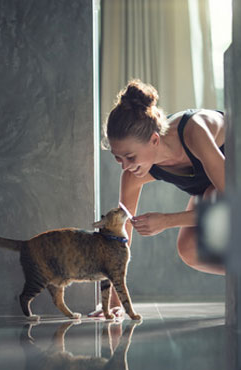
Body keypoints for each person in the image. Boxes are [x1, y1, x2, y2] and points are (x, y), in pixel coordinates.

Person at [89, 79, 225, 318]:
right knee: (189, 249)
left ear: (154, 140)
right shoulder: (132, 176)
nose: (126, 166)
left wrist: (167, 221)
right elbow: (121, 239)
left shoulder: (194, 131)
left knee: (214, 198)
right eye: (118, 158)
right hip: (211, 190)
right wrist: (114, 301)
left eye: (130, 157)